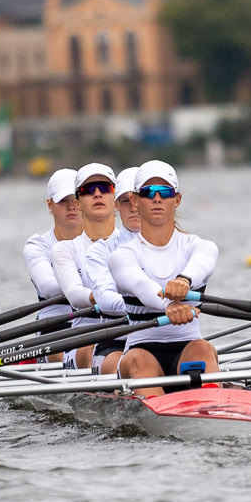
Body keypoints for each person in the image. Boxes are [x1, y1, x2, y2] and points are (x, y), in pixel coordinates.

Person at [107, 160, 219, 390]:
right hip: (141, 350)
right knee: (140, 361)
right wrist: (168, 304)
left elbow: (203, 262)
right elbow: (140, 285)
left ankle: (213, 412)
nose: (157, 198)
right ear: (136, 201)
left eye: (165, 192)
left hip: (187, 349)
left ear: (176, 200)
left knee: (204, 348)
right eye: (148, 192)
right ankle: (161, 411)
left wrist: (184, 281)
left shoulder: (198, 246)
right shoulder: (122, 255)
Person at [53, 163, 123, 367]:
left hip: (132, 334)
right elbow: (74, 294)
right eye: (89, 190)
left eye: (105, 188)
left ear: (115, 200)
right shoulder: (65, 250)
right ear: (78, 202)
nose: (98, 194)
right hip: (85, 339)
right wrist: (104, 297)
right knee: (108, 354)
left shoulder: (133, 245)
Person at [23, 168, 82, 301]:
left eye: (75, 199)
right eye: (63, 201)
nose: (71, 206)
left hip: (98, 318)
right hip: (56, 317)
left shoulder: (104, 239)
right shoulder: (38, 246)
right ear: (50, 204)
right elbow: (48, 288)